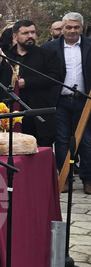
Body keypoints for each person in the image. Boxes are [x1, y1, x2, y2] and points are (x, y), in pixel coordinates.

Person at [0, 20, 63, 148]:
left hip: (39, 116)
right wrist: (0, 63)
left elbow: (56, 77)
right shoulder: (7, 57)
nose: (30, 36)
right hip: (15, 116)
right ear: (15, 36)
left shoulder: (47, 55)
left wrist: (27, 82)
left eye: (32, 32)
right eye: (25, 33)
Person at [43, 12, 91, 188]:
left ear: (81, 28)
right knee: (62, 140)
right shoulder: (49, 48)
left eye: (76, 27)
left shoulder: (89, 45)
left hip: (85, 101)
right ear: (62, 28)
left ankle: (88, 179)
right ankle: (65, 179)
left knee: (86, 140)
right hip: (60, 100)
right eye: (69, 27)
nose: (72, 31)